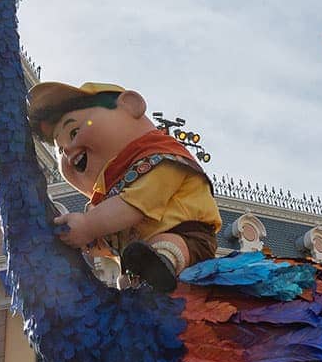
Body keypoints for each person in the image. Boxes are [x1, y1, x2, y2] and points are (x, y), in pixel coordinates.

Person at [28, 81, 222, 293]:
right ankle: (141, 285)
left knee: (164, 244)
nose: (68, 150)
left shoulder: (163, 160)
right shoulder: (107, 197)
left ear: (130, 105)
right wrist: (85, 240)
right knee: (128, 279)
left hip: (188, 239)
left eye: (73, 132)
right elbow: (109, 236)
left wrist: (88, 226)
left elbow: (135, 204)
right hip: (137, 258)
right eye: (60, 150)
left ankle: (159, 268)